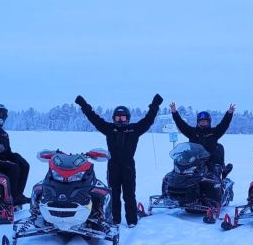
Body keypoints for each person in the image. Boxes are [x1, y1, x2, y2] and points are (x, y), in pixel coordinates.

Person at [75, 94, 164, 227]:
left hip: (128, 166)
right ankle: (114, 220)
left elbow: (148, 120)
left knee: (129, 195)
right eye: (118, 117)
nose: (120, 120)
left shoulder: (134, 129)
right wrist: (84, 105)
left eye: (123, 117)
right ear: (114, 118)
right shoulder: (109, 129)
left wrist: (155, 105)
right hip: (113, 166)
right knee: (114, 195)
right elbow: (94, 119)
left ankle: (132, 221)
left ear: (127, 118)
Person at [169, 103, 235, 178]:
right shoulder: (192, 132)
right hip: (194, 160)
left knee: (213, 175)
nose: (203, 122)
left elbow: (223, 125)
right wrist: (175, 113)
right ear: (198, 122)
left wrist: (229, 114)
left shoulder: (214, 132)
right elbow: (181, 124)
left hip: (210, 160)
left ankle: (221, 176)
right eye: (201, 121)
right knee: (182, 170)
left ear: (209, 122)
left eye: (205, 121)